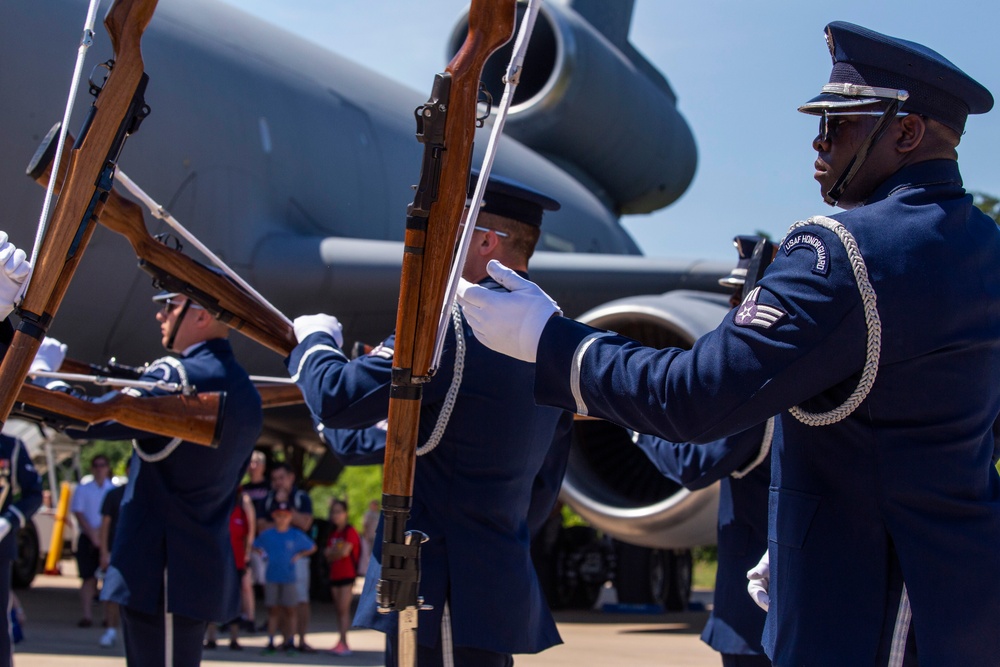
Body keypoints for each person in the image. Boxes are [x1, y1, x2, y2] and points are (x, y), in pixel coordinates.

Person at [457, 21, 999, 666]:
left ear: (906, 132)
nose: (818, 143)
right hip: (958, 603)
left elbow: (695, 399)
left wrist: (550, 339)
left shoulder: (842, 249)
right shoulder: (983, 250)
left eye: (840, 125)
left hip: (861, 613)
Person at [288, 173, 575, 667]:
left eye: (454, 228)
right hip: (491, 581)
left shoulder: (446, 328)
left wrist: (314, 343)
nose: (441, 242)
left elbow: (337, 397)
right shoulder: (554, 336)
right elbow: (544, 484)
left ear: (486, 240)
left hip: (438, 583)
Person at [31, 287, 263, 667]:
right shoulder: (245, 389)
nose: (161, 316)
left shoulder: (178, 378)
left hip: (162, 573)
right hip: (187, 568)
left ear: (202, 315)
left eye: (171, 306)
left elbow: (87, 419)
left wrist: (44, 377)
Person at [628, 237, 775, 667]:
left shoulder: (758, 388)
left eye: (736, 296)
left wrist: (638, 424)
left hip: (755, 612)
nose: (730, 307)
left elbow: (695, 464)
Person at [257, 461, 315, 652]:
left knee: (300, 599)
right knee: (279, 602)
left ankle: (301, 640)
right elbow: (260, 526)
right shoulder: (268, 499)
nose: (278, 483)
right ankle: (284, 639)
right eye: (274, 479)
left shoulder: (301, 498)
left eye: (281, 478)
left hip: (297, 556)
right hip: (276, 556)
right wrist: (284, 526)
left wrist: (287, 509)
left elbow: (306, 524)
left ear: (291, 477)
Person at [204, 486, 254, 651]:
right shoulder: (215, 511)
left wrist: (246, 556)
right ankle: (211, 637)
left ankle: (234, 638)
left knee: (235, 601)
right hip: (215, 563)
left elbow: (247, 535)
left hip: (236, 563)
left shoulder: (240, 511)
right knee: (212, 599)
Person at [69, 455, 114, 629]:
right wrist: (92, 534)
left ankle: (107, 618)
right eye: (96, 465)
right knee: (87, 577)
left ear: (107, 467)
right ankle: (87, 615)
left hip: (107, 537)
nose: (99, 469)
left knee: (108, 579)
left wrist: (102, 536)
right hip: (88, 537)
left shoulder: (113, 489)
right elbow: (78, 513)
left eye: (102, 465)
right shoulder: (83, 488)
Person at [323, 498, 360, 656]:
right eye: (333, 512)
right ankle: (341, 640)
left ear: (345, 513)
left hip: (347, 575)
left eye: (338, 512)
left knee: (344, 610)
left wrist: (334, 553)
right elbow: (326, 555)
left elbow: (345, 552)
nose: (335, 515)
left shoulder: (350, 531)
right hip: (335, 575)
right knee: (338, 610)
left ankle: (345, 643)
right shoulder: (333, 533)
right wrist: (335, 554)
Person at [97, 461, 128, 648]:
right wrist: (103, 551)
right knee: (111, 594)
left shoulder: (150, 493)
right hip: (115, 551)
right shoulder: (115, 494)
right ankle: (110, 630)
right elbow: (105, 524)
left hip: (139, 553)